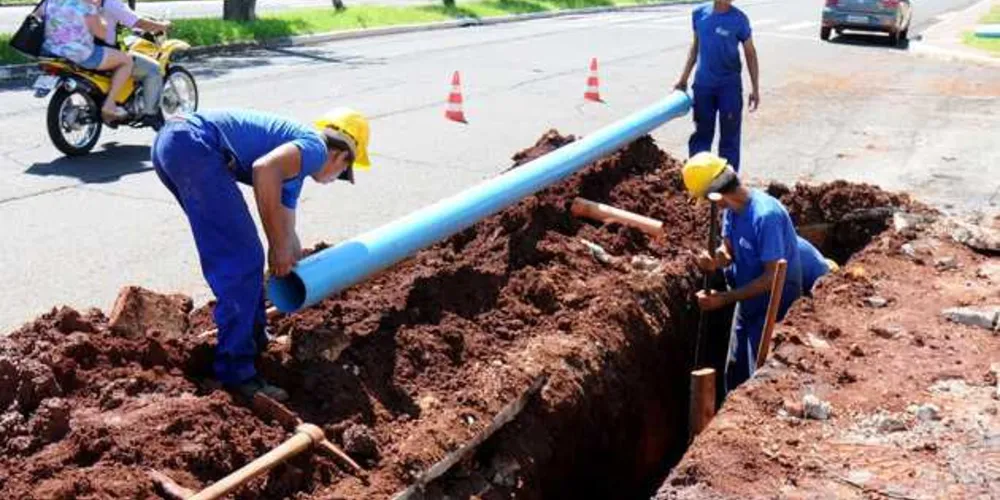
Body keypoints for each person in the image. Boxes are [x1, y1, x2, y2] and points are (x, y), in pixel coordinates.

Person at [151, 108, 371, 401]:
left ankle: (254, 338)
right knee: (242, 259)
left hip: (175, 142)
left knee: (243, 255)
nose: (335, 179)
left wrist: (299, 271)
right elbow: (264, 170)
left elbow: (289, 233)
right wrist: (276, 247)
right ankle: (237, 374)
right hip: (193, 144)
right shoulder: (315, 149)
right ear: (340, 155)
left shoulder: (295, 166)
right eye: (344, 173)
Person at [683, 152, 801, 392]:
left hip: (772, 312)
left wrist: (724, 299)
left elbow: (772, 278)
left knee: (757, 384)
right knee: (735, 373)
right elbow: (729, 251)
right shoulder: (731, 211)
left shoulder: (765, 217)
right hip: (746, 307)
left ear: (716, 195)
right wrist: (716, 260)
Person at [674, 0, 760, 172]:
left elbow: (750, 53)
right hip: (703, 86)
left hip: (729, 88)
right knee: (702, 135)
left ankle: (727, 186)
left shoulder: (739, 19)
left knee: (729, 138)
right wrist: (683, 78)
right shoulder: (699, 14)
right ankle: (698, 179)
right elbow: (695, 47)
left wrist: (755, 88)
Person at [41, 0, 132, 122]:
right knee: (126, 60)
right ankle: (110, 104)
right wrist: (122, 33)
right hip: (79, 53)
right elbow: (101, 33)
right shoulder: (86, 4)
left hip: (50, 50)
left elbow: (36, 17)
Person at [94, 0, 171, 126]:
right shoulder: (110, 3)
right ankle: (150, 114)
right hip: (104, 52)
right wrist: (162, 26)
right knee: (153, 69)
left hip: (78, 50)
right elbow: (138, 22)